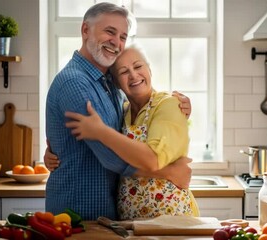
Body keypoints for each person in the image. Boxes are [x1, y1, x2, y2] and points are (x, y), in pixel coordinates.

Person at [45, 2, 192, 221]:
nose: (116, 42)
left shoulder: (111, 85)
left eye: (123, 36)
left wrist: (181, 105)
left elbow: (127, 128)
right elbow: (111, 154)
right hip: (78, 213)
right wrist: (169, 172)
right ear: (85, 30)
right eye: (110, 32)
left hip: (108, 213)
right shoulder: (74, 83)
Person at [64, 45, 199, 220]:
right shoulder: (123, 111)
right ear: (115, 82)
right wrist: (54, 151)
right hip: (132, 221)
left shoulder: (168, 105)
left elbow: (153, 160)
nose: (134, 75)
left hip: (171, 218)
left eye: (138, 66)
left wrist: (100, 131)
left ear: (149, 69)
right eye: (124, 72)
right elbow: (111, 155)